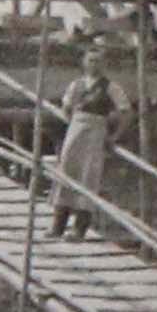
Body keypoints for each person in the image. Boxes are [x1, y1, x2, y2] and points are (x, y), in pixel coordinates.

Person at [48, 68, 119, 240]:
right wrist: (73, 121)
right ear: (85, 63)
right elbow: (66, 108)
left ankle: (79, 229)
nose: (94, 65)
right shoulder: (76, 85)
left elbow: (126, 112)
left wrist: (114, 136)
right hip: (76, 128)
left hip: (96, 131)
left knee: (89, 177)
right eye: (91, 60)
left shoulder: (111, 87)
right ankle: (58, 227)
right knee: (66, 173)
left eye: (98, 61)